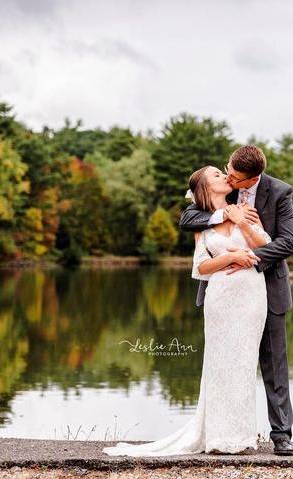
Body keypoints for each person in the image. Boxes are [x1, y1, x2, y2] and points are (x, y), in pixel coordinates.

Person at [102, 163, 272, 456]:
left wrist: (243, 225)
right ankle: (218, 437)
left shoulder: (244, 209)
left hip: (251, 297)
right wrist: (231, 257)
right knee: (219, 364)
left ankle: (241, 436)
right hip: (220, 298)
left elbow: (266, 244)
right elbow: (200, 268)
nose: (224, 175)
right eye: (217, 175)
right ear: (206, 188)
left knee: (244, 363)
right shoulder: (202, 223)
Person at [179, 145, 293, 456]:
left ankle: (281, 434)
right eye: (227, 171)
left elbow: (288, 241)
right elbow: (189, 216)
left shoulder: (280, 192)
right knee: (227, 364)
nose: (229, 177)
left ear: (251, 179)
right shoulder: (226, 191)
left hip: (266, 289)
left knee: (274, 364)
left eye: (234, 176)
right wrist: (225, 214)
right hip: (223, 295)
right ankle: (222, 432)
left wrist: (248, 257)